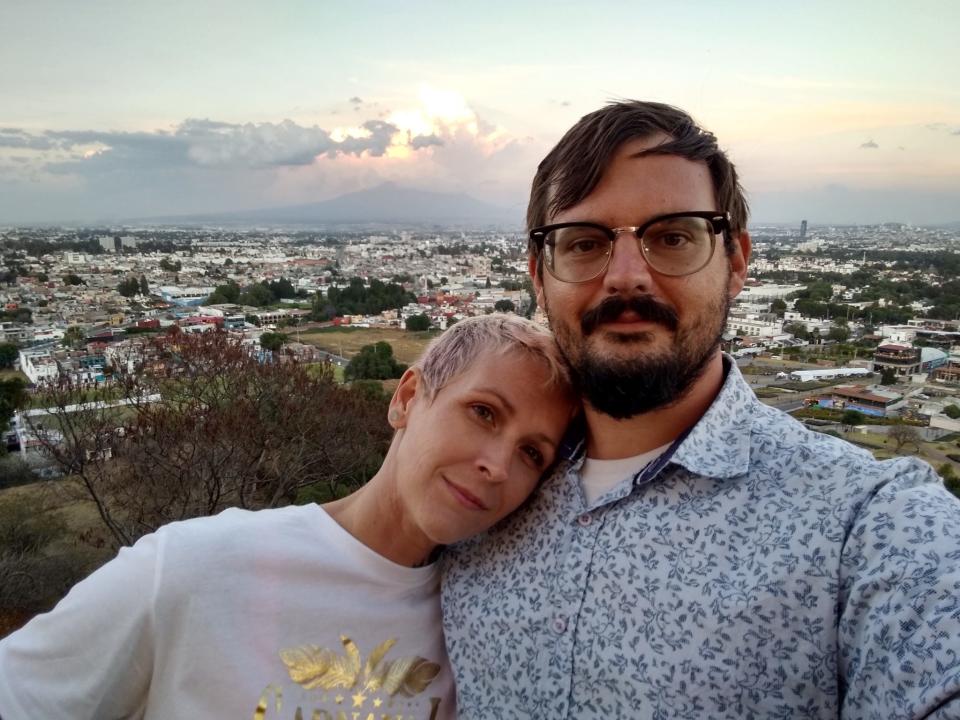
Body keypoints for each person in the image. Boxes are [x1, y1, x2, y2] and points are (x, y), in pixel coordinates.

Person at [442, 101, 960, 718]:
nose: (626, 277)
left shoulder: (871, 522)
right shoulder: (476, 485)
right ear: (538, 273)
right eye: (584, 243)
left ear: (736, 262)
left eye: (672, 237)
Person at [0, 314, 576, 720]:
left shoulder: (482, 623)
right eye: (482, 412)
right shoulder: (194, 567)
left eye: (532, 453)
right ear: (406, 398)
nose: (498, 465)